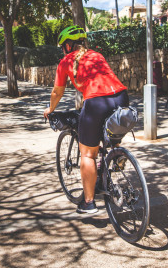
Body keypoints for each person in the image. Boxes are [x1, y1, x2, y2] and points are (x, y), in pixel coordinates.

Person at [43, 25, 129, 215]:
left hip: (96, 102)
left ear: (67, 45)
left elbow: (57, 92)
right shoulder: (97, 55)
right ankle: (116, 154)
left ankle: (89, 202)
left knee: (87, 154)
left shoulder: (65, 61)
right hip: (122, 97)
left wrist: (50, 109)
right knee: (108, 136)